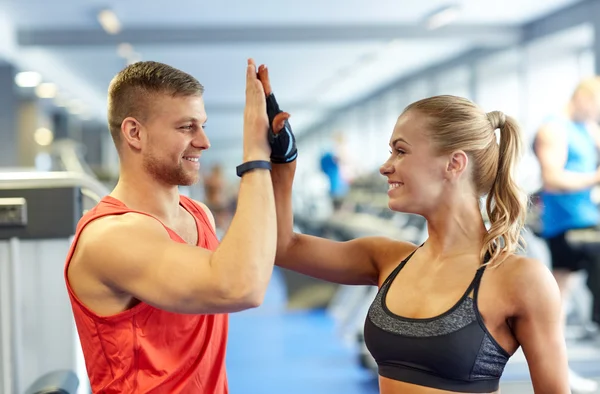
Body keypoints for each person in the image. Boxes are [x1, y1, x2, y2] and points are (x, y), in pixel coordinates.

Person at [271, 94, 571, 393]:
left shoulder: (520, 279)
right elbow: (283, 246)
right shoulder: (385, 257)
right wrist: (281, 163)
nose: (385, 166)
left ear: (454, 164)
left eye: (400, 151)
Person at [63, 59, 277, 393]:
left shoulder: (199, 213)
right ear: (135, 133)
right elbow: (241, 287)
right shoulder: (110, 236)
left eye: (202, 125)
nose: (204, 141)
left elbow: (259, 260)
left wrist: (282, 167)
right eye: (186, 127)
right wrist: (255, 158)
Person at [534, 77, 600, 392]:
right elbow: (552, 178)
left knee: (559, 300)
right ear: (584, 97)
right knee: (558, 300)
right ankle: (559, 373)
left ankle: (561, 372)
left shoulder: (585, 128)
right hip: (571, 226)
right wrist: (595, 178)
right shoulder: (554, 129)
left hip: (588, 221)